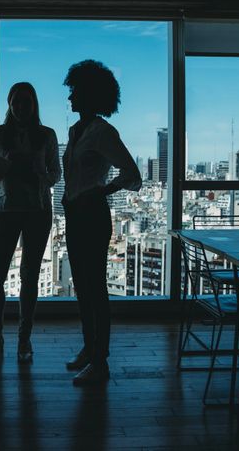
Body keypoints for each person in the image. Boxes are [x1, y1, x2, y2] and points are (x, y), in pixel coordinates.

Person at [61, 60, 141, 386]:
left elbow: (132, 174)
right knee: (82, 284)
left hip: (92, 214)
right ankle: (89, 349)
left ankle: (100, 361)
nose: (70, 98)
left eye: (75, 91)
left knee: (95, 288)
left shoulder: (103, 132)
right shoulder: (76, 130)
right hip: (74, 213)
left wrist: (101, 191)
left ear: (89, 94)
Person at [0, 82, 60, 363]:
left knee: (29, 275)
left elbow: (56, 174)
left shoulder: (47, 135)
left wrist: (38, 172)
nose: (21, 107)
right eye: (16, 102)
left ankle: (24, 338)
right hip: (7, 208)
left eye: (26, 102)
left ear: (34, 104)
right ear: (9, 105)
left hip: (38, 209)